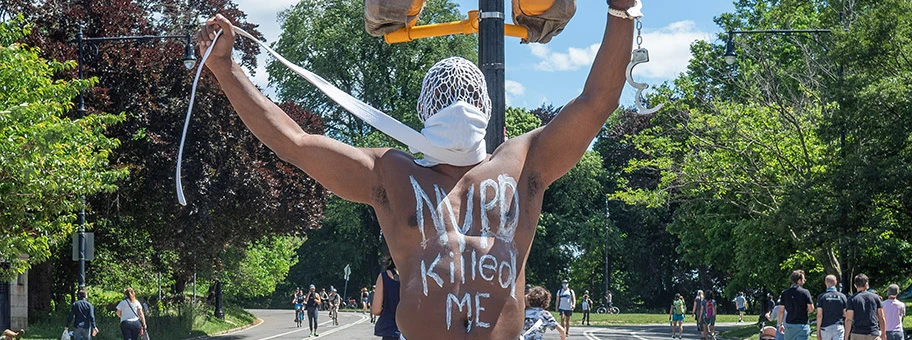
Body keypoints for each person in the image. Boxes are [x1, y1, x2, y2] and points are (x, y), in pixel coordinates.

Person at [196, 0, 637, 336]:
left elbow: (597, 102)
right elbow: (293, 142)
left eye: (464, 96)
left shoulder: (524, 164)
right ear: (427, 109)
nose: (457, 105)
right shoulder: (389, 172)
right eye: (447, 98)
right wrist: (224, 67)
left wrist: (623, 10)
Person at [845, 274, 886, 340]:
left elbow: (848, 319)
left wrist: (846, 336)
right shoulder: (875, 298)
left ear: (855, 285)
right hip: (873, 333)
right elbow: (881, 317)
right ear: (867, 284)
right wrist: (883, 334)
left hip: (857, 333)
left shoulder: (852, 299)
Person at [777, 270, 814, 340]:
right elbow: (811, 309)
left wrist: (780, 324)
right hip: (802, 324)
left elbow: (781, 311)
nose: (804, 281)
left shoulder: (785, 293)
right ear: (799, 280)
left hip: (790, 324)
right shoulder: (805, 292)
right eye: (803, 279)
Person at [372, 260, 402, 340]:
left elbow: (376, 310)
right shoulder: (419, 276)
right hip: (413, 331)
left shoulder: (384, 276)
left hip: (391, 330)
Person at [815, 275, 847, 340]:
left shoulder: (821, 297)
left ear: (825, 283)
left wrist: (818, 330)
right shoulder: (842, 296)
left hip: (825, 328)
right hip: (838, 327)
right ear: (836, 283)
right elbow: (845, 314)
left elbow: (819, 315)